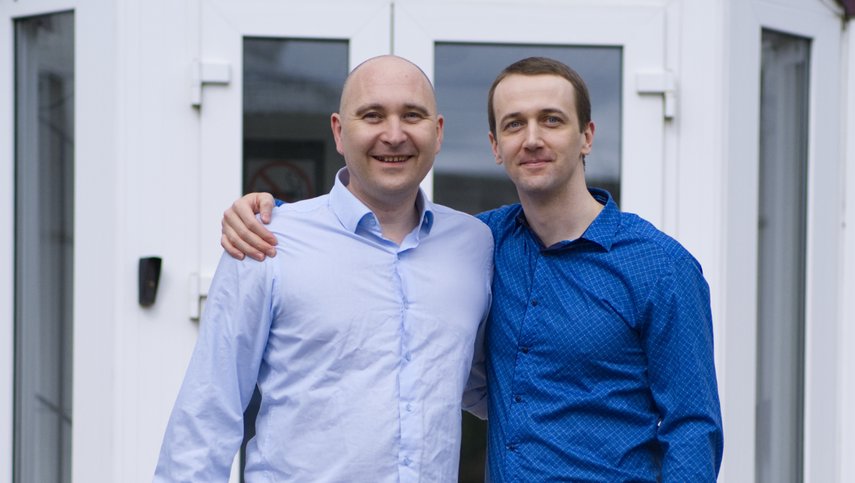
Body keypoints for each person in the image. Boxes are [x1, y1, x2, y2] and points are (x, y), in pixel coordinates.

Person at [222, 57, 723, 482]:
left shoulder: (659, 266)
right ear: (494, 145)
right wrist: (270, 212)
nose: (532, 139)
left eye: (551, 120)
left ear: (586, 135)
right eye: (514, 124)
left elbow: (692, 428)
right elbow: (377, 239)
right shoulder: (474, 243)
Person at [155, 55, 493, 482]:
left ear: (438, 131)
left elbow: (484, 385)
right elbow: (208, 409)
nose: (393, 135)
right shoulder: (268, 241)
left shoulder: (474, 246)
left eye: (412, 115)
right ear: (338, 131)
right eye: (372, 115)